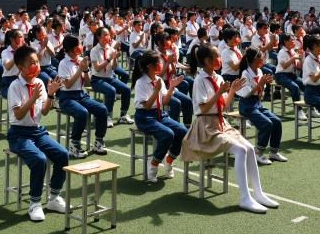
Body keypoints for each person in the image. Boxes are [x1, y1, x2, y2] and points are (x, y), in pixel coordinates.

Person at [181, 44, 279, 213]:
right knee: (240, 150)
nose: (220, 59)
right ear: (207, 61)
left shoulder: (219, 78)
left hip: (220, 123)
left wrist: (232, 91)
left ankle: (259, 193)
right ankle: (245, 198)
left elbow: (224, 107)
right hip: (205, 127)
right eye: (217, 56)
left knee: (249, 148)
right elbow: (203, 109)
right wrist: (219, 93)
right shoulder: (199, 80)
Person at [6, 45, 68, 222]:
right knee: (39, 159)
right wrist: (32, 99)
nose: (36, 66)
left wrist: (51, 95)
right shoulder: (15, 86)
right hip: (18, 134)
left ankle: (54, 197)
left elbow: (45, 111)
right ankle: (34, 203)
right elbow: (18, 115)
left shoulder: (39, 82)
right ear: (21, 67)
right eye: (31, 63)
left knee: (62, 154)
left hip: (37, 131)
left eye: (37, 62)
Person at [131, 51, 186, 182]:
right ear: (150, 66)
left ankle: (169, 160)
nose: (161, 64)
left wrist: (171, 87)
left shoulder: (159, 80)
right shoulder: (141, 82)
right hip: (144, 117)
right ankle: (153, 164)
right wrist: (156, 91)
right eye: (159, 62)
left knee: (182, 131)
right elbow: (147, 106)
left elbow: (165, 102)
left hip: (160, 114)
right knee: (168, 134)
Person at [56, 35, 108, 158]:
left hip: (81, 94)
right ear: (71, 49)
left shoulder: (81, 60)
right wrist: (80, 69)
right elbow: (67, 85)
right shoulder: (63, 63)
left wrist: (85, 70)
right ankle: (74, 145)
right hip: (67, 97)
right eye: (77, 45)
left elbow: (88, 83)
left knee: (102, 109)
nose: (80, 47)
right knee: (82, 113)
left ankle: (99, 141)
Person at [236, 48, 287, 164]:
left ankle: (274, 152)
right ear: (253, 59)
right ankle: (258, 152)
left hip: (257, 103)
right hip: (246, 105)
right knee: (267, 124)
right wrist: (260, 84)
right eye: (260, 57)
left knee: (277, 121)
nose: (262, 59)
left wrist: (264, 85)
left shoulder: (259, 71)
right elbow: (247, 94)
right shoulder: (245, 73)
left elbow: (260, 93)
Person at [90, 27, 133, 127]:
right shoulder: (94, 50)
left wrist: (115, 58)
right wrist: (109, 59)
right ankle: (107, 117)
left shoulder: (111, 49)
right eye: (105, 35)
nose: (108, 37)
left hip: (110, 78)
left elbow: (113, 67)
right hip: (97, 80)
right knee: (111, 91)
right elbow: (97, 68)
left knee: (126, 89)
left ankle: (123, 115)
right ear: (98, 37)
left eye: (108, 34)